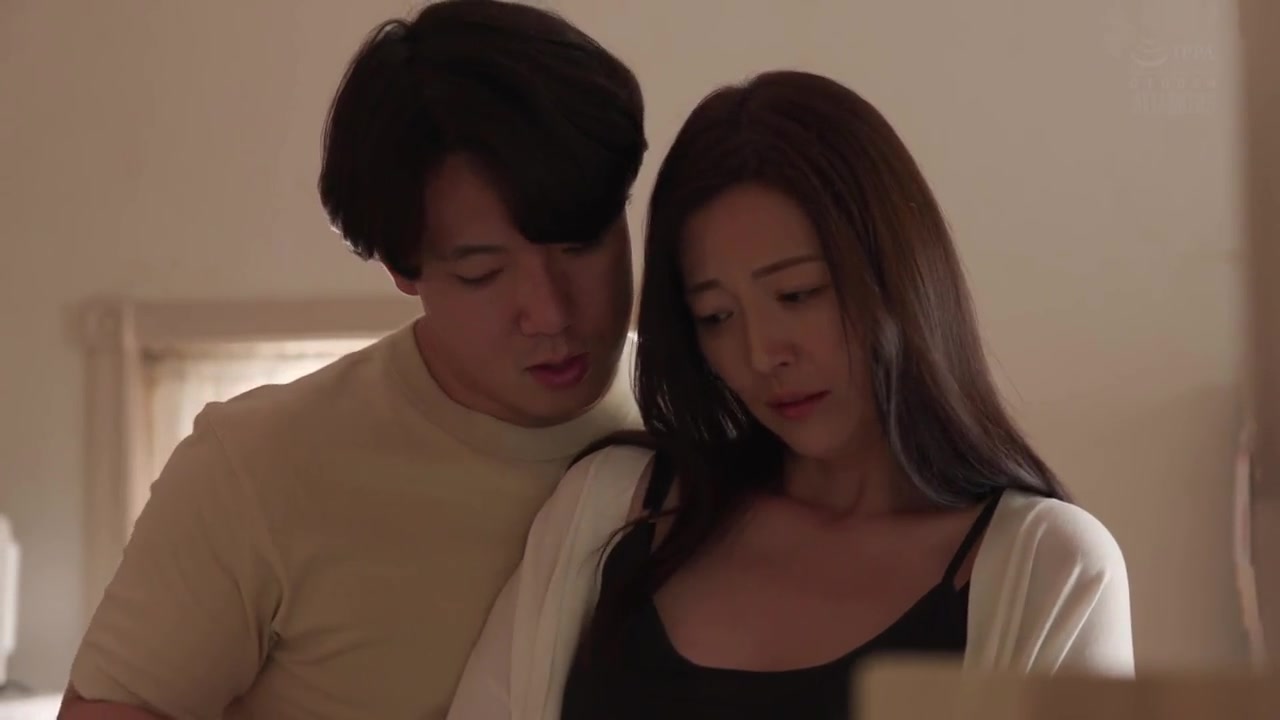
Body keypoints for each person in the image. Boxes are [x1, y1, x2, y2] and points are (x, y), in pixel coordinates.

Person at [445, 70, 1134, 720]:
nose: (761, 354)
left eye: (798, 294)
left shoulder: (1044, 569)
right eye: (717, 315)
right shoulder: (611, 507)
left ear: (898, 274)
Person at [59, 1, 646, 718]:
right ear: (403, 269)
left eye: (581, 244)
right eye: (482, 274)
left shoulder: (703, 428)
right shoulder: (258, 468)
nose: (550, 313)